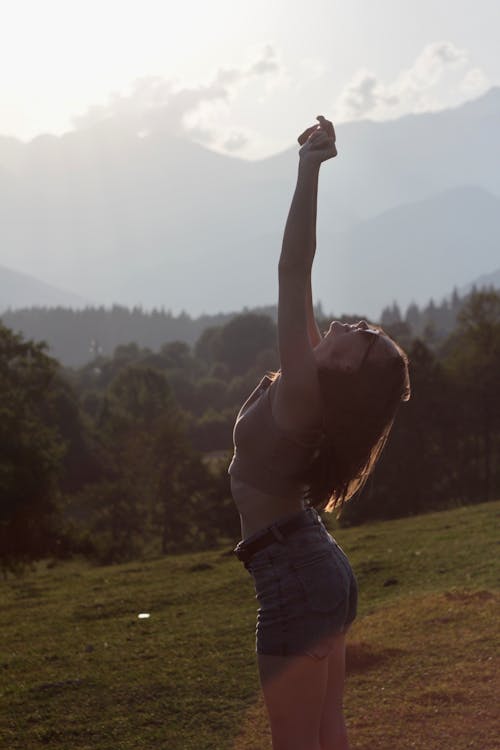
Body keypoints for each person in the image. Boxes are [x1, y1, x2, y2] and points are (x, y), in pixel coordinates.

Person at [229, 116, 410, 750]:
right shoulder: (314, 384)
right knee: (324, 734)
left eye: (363, 340)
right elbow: (300, 278)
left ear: (346, 373)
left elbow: (291, 268)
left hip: (297, 575)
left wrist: (308, 172)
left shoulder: (307, 393)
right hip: (310, 566)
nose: (355, 325)